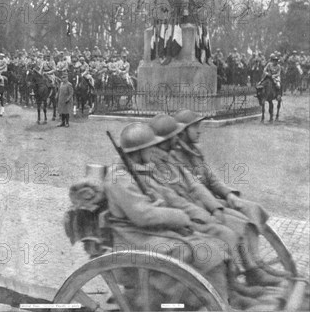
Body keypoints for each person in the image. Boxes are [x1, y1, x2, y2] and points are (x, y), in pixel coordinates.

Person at [98, 122, 246, 308]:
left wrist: (191, 213)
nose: (153, 152)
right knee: (205, 251)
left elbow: (167, 196)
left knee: (214, 246)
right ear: (139, 150)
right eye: (149, 148)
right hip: (133, 239)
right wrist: (180, 216)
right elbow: (143, 215)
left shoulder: (137, 171)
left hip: (148, 233)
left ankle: (220, 300)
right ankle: (210, 303)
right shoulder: (118, 179)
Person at [148, 115, 283, 291]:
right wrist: (206, 215)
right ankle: (235, 284)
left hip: (197, 209)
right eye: (175, 134)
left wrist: (216, 207)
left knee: (240, 222)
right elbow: (174, 200)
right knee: (228, 232)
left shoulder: (169, 158)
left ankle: (251, 270)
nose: (177, 137)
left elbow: (197, 185)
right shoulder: (157, 165)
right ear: (165, 140)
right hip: (186, 218)